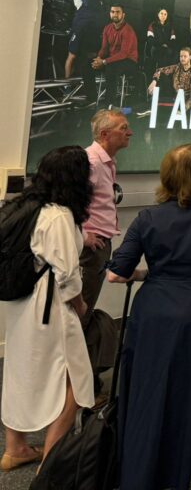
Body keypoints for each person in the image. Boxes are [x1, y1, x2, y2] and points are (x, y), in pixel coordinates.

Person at [107, 144, 191, 490]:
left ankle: (139, 469)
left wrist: (148, 275)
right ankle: (180, 470)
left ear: (167, 175)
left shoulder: (148, 218)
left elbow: (116, 274)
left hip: (153, 312)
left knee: (148, 391)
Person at [1, 146, 94, 470]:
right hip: (50, 308)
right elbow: (67, 275)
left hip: (20, 304)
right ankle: (50, 464)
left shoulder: (25, 205)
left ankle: (16, 448)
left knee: (20, 372)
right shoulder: (60, 215)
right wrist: (80, 306)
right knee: (76, 382)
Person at [81, 109, 132, 386]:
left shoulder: (106, 162)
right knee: (80, 313)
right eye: (123, 128)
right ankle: (73, 385)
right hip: (90, 249)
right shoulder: (90, 162)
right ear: (104, 134)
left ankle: (80, 380)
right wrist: (82, 236)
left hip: (99, 246)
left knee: (84, 312)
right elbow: (66, 203)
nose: (129, 133)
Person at [91, 3, 141, 104]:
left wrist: (104, 62)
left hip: (129, 61)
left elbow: (123, 54)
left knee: (111, 68)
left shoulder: (128, 30)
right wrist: (98, 59)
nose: (115, 14)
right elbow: (104, 49)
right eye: (112, 12)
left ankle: (109, 104)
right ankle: (91, 98)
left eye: (118, 12)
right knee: (87, 64)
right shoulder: (107, 28)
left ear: (123, 15)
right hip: (112, 60)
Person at [65, 0, 105, 84]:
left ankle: (87, 89)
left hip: (93, 26)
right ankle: (66, 88)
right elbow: (87, 2)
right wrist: (97, 4)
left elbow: (104, 6)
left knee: (90, 56)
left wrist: (98, 6)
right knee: (72, 55)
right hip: (80, 23)